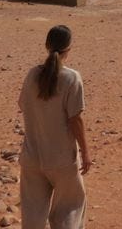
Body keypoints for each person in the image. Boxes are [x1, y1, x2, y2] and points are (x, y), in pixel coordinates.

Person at [19, 25, 91, 229]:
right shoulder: (71, 78)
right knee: (70, 210)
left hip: (32, 158)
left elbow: (21, 104)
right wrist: (85, 152)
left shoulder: (32, 74)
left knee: (32, 216)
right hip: (62, 160)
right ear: (69, 49)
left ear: (46, 46)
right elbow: (75, 120)